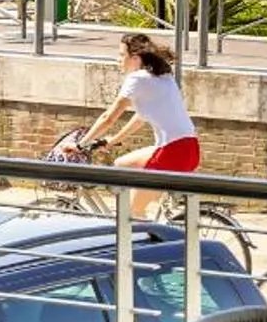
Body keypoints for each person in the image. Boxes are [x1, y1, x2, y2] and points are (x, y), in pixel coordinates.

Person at [80, 32, 197, 217]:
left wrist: (81, 144)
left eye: (121, 55)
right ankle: (146, 214)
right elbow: (140, 118)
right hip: (188, 148)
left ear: (134, 58)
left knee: (130, 213)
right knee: (121, 164)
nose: (118, 60)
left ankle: (144, 235)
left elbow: (109, 118)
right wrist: (112, 141)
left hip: (172, 153)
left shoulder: (137, 79)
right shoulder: (162, 76)